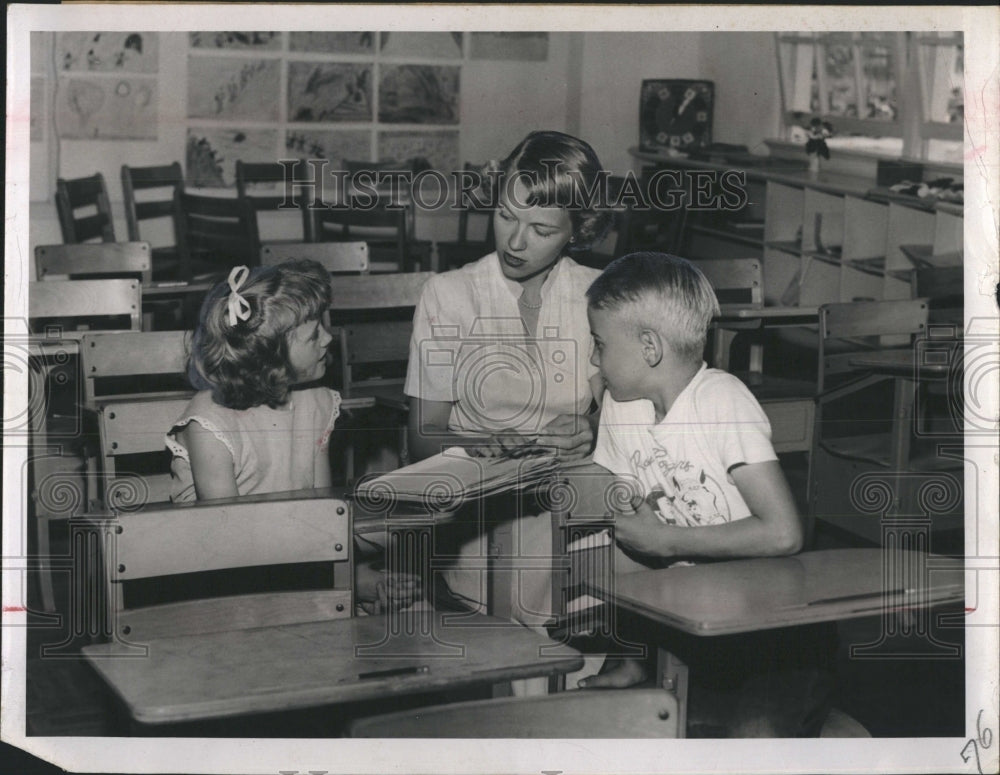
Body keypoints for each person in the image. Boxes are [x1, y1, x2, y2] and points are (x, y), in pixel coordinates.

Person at [577, 252, 834, 736]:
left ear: (649, 346)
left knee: (752, 738)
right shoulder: (622, 404)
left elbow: (783, 533)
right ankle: (637, 662)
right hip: (690, 627)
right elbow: (619, 514)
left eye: (599, 344)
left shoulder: (723, 401)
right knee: (621, 729)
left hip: (777, 637)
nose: (594, 359)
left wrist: (669, 541)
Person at [403, 130, 613, 625]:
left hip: (574, 512)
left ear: (577, 229)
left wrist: (597, 427)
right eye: (505, 217)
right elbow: (421, 435)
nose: (515, 243)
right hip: (481, 514)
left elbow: (628, 416)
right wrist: (478, 445)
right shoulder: (448, 295)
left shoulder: (597, 295)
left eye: (541, 230)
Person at [166, 260, 415, 612]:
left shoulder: (314, 401)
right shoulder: (208, 422)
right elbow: (227, 544)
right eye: (314, 335)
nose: (330, 338)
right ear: (271, 359)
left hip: (294, 558)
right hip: (220, 581)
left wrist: (355, 578)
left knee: (405, 530)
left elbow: (320, 517)